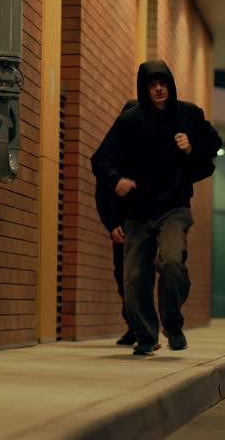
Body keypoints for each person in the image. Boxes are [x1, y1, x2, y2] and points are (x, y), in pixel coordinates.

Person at [91, 60, 222, 355]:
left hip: (174, 207)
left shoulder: (189, 114)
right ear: (144, 89)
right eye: (152, 85)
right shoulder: (129, 122)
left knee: (172, 263)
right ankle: (147, 336)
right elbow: (100, 160)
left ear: (170, 85)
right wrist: (117, 179)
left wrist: (192, 146)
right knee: (134, 280)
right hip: (137, 212)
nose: (158, 89)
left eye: (163, 83)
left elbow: (213, 144)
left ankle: (172, 324)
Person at [94, 99, 141, 346]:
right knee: (124, 275)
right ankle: (134, 324)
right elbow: (103, 191)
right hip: (123, 224)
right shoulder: (112, 155)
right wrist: (112, 224)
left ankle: (146, 324)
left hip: (151, 222)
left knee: (143, 274)